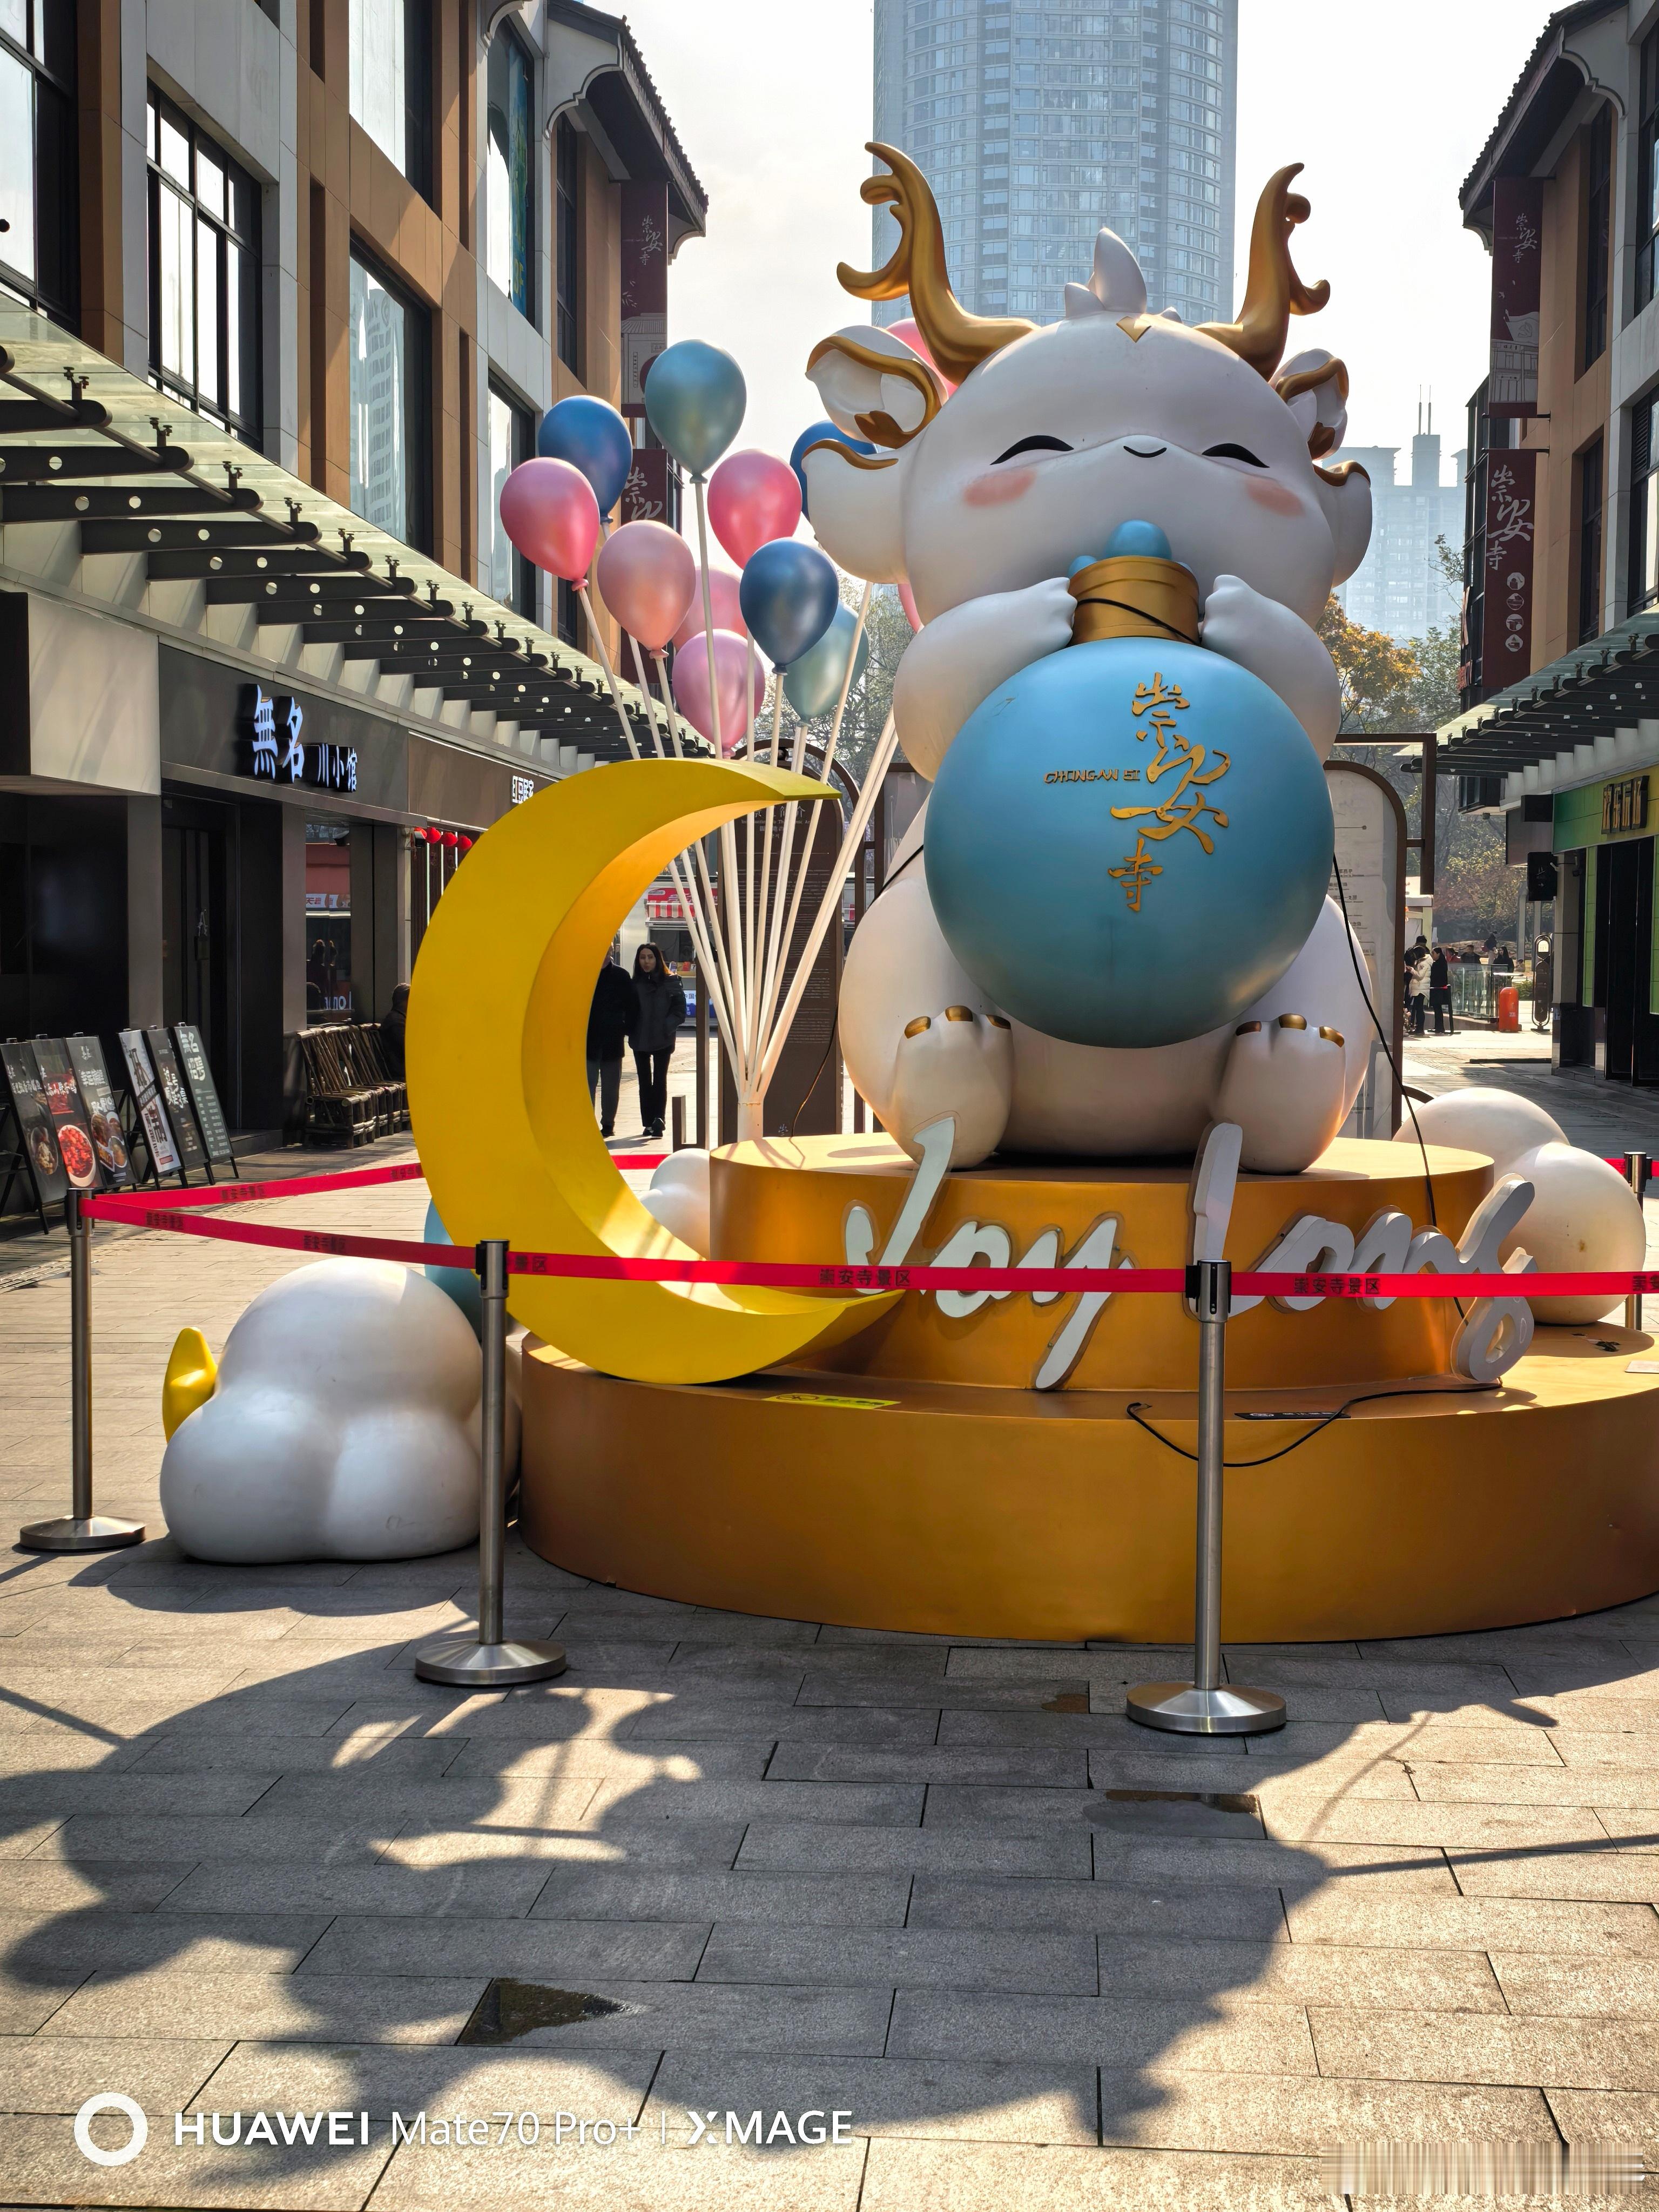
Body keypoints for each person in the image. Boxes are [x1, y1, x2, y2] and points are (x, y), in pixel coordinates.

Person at [629, 943, 686, 1139]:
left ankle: (658, 1121)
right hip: (640, 1038)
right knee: (645, 1082)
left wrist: (667, 1026)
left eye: (650, 957)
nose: (647, 962)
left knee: (660, 1080)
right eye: (643, 957)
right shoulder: (634, 984)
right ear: (638, 960)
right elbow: (627, 1010)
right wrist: (630, 1028)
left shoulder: (671, 981)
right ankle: (648, 1123)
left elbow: (680, 1010)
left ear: (657, 959)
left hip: (663, 1038)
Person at [586, 954, 638, 1138]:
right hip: (588, 1041)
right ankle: (588, 1125)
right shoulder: (585, 975)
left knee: (611, 1087)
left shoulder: (621, 976)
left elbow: (633, 1006)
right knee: (588, 1085)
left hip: (612, 1041)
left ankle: (608, 1124)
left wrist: (625, 1029)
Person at [381, 983, 409, 1076]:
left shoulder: (398, 1018)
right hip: (399, 1072)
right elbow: (408, 1048)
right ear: (406, 1001)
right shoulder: (396, 1022)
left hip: (402, 1069)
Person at [1429, 945, 1451, 1035]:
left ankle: (1440, 1027)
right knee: (1437, 1009)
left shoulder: (1439, 964)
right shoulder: (1441, 963)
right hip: (1437, 989)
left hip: (1438, 989)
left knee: (1438, 1009)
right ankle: (1438, 1027)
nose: (1432, 955)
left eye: (1433, 953)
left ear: (1438, 954)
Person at [1533, 937, 1554, 1030]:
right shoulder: (1550, 960)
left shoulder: (1547, 961)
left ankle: (1543, 1017)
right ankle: (1545, 1014)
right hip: (1550, 984)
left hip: (1549, 984)